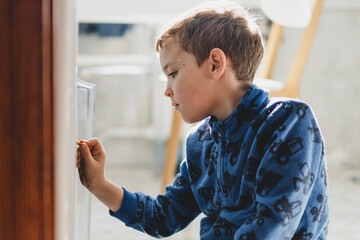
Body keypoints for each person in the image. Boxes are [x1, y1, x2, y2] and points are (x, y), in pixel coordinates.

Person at [77, 1, 329, 239]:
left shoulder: (289, 120)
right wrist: (97, 183)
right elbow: (163, 218)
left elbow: (273, 227)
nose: (167, 90)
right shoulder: (199, 143)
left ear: (215, 64)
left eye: (173, 73)